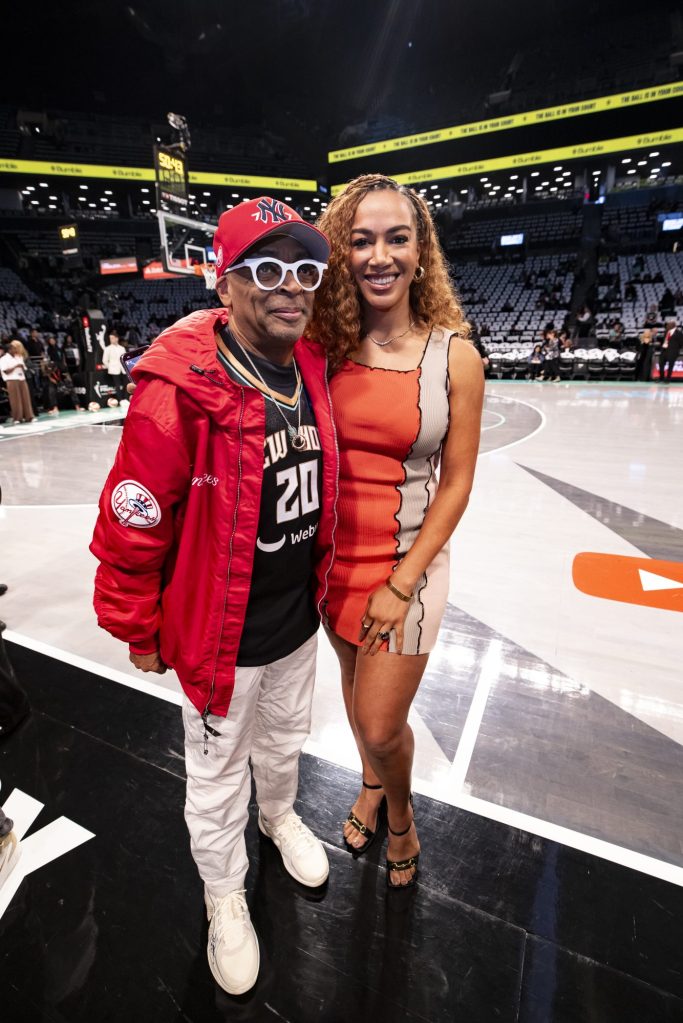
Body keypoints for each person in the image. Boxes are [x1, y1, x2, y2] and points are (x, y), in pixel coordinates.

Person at [90, 197, 337, 996]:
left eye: (304, 269)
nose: (289, 287)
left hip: (294, 622)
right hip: (219, 632)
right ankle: (225, 893)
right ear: (224, 285)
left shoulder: (307, 366)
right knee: (217, 771)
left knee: (284, 741)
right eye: (266, 270)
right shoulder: (180, 387)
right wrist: (135, 623)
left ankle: (280, 818)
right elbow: (134, 517)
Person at [307, 174, 483, 889]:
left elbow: (458, 481)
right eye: (360, 239)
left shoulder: (455, 356)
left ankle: (401, 814)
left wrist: (401, 582)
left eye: (396, 237)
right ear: (342, 254)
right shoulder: (322, 348)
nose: (378, 255)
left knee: (381, 723)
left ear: (420, 251)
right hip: (332, 566)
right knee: (355, 704)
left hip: (407, 566)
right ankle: (371, 785)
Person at [0, 340, 36, 424]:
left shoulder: (19, 357)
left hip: (21, 378)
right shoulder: (3, 359)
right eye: (13, 348)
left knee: (26, 398)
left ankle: (29, 416)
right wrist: (16, 366)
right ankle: (17, 418)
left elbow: (24, 368)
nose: (15, 350)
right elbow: (5, 371)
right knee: (15, 400)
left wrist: (22, 367)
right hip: (11, 379)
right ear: (9, 350)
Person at [101, 330, 126, 400]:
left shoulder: (122, 348)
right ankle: (120, 400)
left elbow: (124, 358)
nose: (111, 340)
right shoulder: (107, 349)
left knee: (125, 384)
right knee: (117, 385)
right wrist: (110, 367)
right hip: (114, 369)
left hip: (123, 369)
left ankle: (125, 399)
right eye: (110, 338)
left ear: (116, 338)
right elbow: (104, 360)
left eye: (112, 338)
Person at [658, 319, 683, 384]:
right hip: (664, 350)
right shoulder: (666, 331)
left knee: (670, 366)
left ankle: (668, 379)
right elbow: (664, 340)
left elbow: (681, 343)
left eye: (669, 324)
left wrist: (675, 348)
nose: (667, 325)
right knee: (661, 364)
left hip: (673, 351)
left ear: (673, 325)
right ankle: (661, 378)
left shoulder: (679, 333)